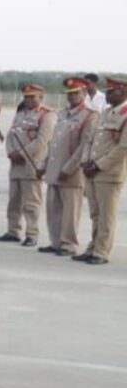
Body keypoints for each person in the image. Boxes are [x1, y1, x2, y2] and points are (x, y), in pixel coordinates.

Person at [38, 78, 98, 257]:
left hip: (72, 172)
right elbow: (53, 144)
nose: (72, 97)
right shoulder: (63, 114)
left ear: (84, 93)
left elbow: (84, 146)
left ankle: (69, 244)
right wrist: (44, 165)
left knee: (70, 212)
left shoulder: (90, 115)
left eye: (76, 93)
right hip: (55, 168)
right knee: (53, 208)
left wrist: (69, 168)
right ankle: (56, 241)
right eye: (70, 94)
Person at [0, 84, 55, 247]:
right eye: (26, 97)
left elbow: (42, 141)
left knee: (31, 203)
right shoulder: (20, 114)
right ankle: (13, 231)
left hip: (32, 163)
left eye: (32, 97)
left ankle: (32, 234)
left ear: (41, 97)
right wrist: (11, 152)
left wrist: (20, 154)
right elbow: (11, 136)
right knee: (14, 201)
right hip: (16, 164)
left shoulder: (47, 115)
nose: (28, 100)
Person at [78, 77, 127, 265]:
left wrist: (98, 165)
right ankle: (93, 247)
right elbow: (90, 139)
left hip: (109, 173)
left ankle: (101, 252)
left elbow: (123, 148)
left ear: (123, 92)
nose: (106, 94)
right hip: (92, 171)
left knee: (106, 216)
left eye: (111, 91)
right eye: (106, 90)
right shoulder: (105, 113)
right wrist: (85, 161)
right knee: (95, 214)